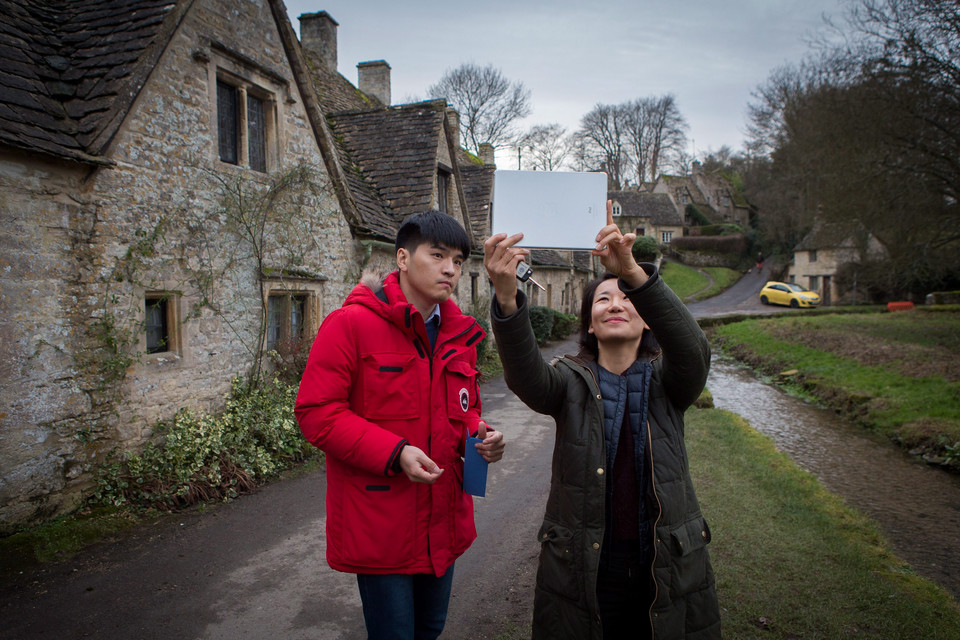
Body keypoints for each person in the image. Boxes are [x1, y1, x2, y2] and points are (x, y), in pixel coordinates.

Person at [482, 202, 720, 640]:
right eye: (603, 298)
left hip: (664, 567)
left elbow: (694, 351)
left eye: (627, 298)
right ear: (589, 323)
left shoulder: (670, 382)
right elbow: (524, 375)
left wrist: (633, 273)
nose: (616, 304)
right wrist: (504, 295)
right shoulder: (567, 383)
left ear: (646, 317)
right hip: (586, 570)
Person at [296, 210, 506, 640]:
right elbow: (317, 412)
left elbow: (462, 412)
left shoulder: (459, 335)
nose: (450, 268)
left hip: (443, 519)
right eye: (438, 254)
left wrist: (482, 435)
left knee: (430, 630)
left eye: (459, 261)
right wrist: (396, 452)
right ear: (403, 259)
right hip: (382, 525)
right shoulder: (350, 325)